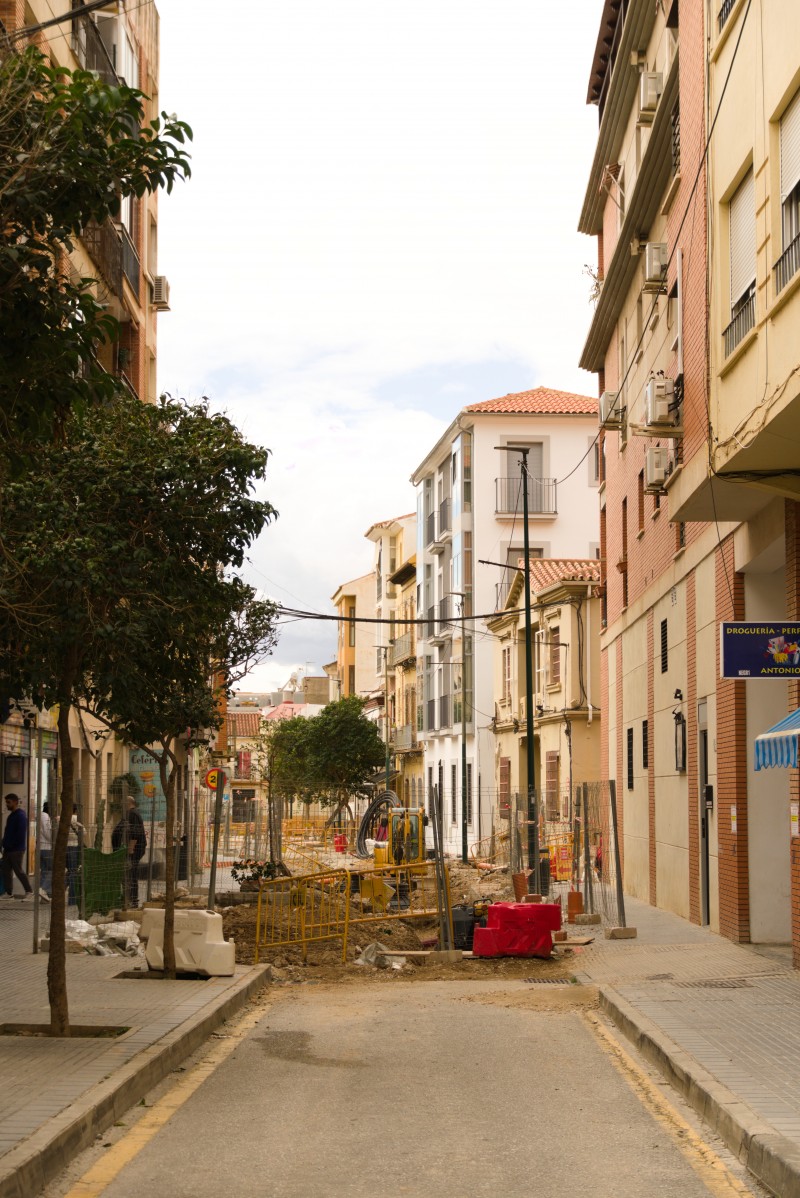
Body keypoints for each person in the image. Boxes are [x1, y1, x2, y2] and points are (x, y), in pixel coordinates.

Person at [112, 797, 147, 908]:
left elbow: (135, 833)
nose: (121, 805)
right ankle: (128, 898)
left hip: (133, 851)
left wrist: (130, 849)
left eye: (122, 802)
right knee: (128, 875)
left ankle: (133, 900)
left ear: (128, 803)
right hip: (127, 851)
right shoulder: (129, 814)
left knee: (131, 875)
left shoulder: (133, 814)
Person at [1, 793, 33, 900]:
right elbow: (7, 833)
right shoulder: (11, 816)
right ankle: (8, 892)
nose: (7, 805)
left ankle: (29, 891)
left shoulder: (20, 816)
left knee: (18, 871)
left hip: (16, 849)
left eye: (9, 802)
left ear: (15, 802)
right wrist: (3, 843)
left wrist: (10, 844)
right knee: (6, 871)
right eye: (6, 802)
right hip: (8, 849)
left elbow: (20, 834)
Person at [65, 804, 85, 906]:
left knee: (68, 872)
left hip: (64, 847)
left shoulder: (63, 818)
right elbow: (84, 833)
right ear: (76, 810)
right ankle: (72, 899)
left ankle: (55, 892)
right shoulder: (76, 819)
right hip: (74, 847)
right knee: (73, 872)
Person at [38, 802, 53, 900]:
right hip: (46, 847)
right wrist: (54, 840)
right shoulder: (45, 817)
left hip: (40, 847)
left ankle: (43, 895)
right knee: (52, 870)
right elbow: (47, 832)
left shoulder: (40, 816)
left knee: (44, 871)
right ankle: (43, 889)